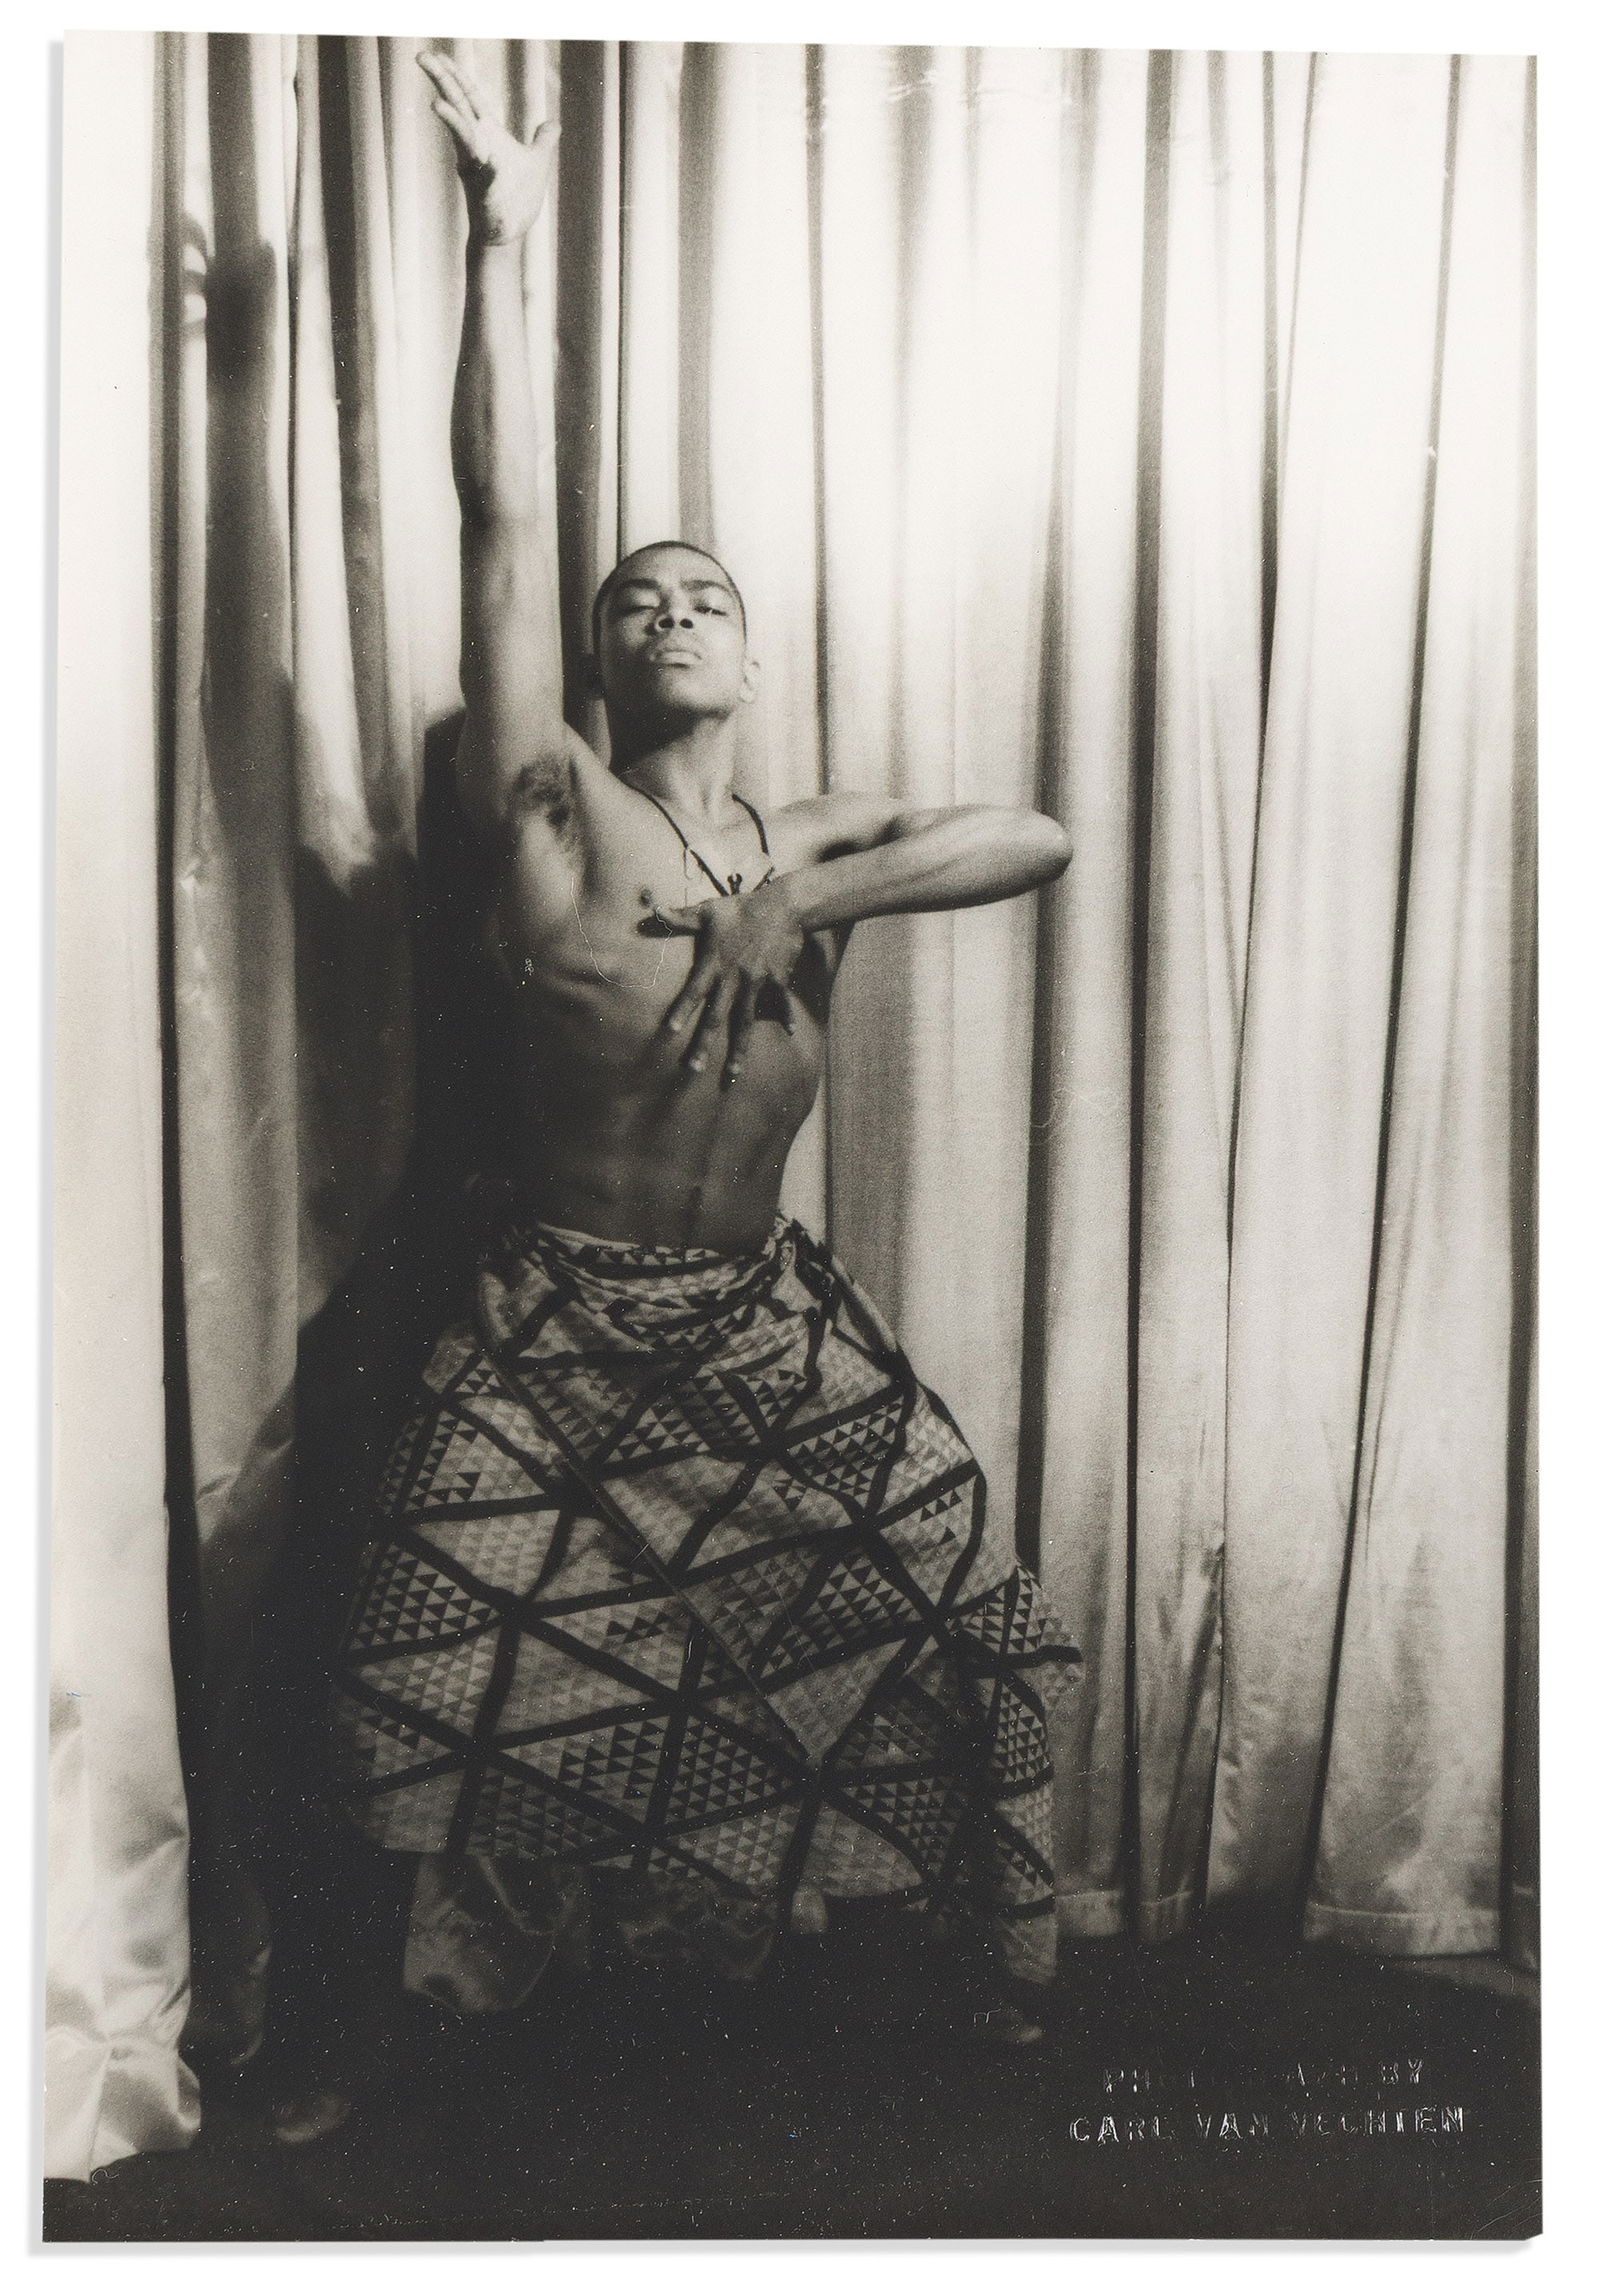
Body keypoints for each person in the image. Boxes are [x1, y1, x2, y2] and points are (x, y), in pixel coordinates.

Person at [290, 48, 1080, 2140]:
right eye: (638, 601)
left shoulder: (806, 838)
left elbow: (1033, 833)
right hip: (551, 1321)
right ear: (604, 657)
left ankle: (949, 1975)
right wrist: (499, 237)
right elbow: (498, 514)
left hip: (753, 1323)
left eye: (705, 594)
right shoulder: (549, 815)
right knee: (432, 1662)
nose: (670, 609)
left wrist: (794, 898)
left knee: (929, 1602)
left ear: (749, 650)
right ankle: (389, 2045)